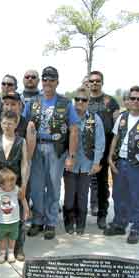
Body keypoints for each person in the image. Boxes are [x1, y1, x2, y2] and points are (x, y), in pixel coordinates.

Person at [24, 66, 79, 240]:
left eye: (52, 79)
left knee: (54, 187)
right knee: (36, 188)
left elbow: (74, 130)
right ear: (42, 81)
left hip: (57, 149)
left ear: (57, 82)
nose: (48, 82)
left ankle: (51, 222)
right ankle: (38, 221)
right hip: (35, 149)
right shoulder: (32, 102)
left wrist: (71, 156)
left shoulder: (65, 102)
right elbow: (24, 125)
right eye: (45, 79)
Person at [0, 111, 30, 261]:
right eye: (4, 123)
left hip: (15, 183)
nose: (6, 126)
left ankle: (18, 247)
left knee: (18, 217)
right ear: (1, 123)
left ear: (16, 124)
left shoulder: (21, 141)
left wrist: (24, 184)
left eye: (10, 123)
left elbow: (24, 164)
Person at [63, 87, 105, 235]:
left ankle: (81, 224)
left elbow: (100, 142)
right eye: (77, 99)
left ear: (88, 102)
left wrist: (96, 162)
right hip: (70, 164)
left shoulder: (95, 119)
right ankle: (68, 222)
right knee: (69, 197)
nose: (80, 102)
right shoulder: (67, 116)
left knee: (82, 196)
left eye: (84, 100)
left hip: (86, 165)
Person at [106, 85, 139, 244]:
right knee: (118, 195)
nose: (135, 101)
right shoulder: (122, 117)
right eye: (133, 98)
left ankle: (135, 228)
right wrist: (111, 158)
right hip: (120, 162)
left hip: (136, 165)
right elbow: (115, 137)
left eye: (138, 99)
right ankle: (119, 223)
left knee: (136, 197)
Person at [88, 70, 120, 229]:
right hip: (84, 146)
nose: (94, 83)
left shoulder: (110, 101)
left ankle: (102, 214)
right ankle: (76, 215)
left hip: (104, 146)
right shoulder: (82, 99)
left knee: (102, 182)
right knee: (82, 181)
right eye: (92, 81)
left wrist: (114, 150)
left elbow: (117, 126)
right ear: (88, 82)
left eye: (97, 81)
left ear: (102, 82)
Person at [0, 168, 29, 263]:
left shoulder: (16, 189)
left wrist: (26, 209)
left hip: (14, 220)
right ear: (2, 184)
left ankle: (11, 252)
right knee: (2, 237)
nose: (14, 185)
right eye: (11, 184)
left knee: (13, 237)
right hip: (1, 220)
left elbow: (23, 198)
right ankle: (2, 252)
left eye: (14, 182)